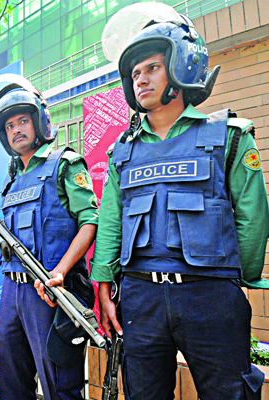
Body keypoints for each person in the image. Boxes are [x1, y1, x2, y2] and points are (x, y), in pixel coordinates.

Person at [91, 5, 268, 399]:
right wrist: (103, 280)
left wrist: (229, 282)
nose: (141, 80)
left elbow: (252, 219)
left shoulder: (230, 136)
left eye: (151, 68)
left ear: (182, 65)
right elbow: (111, 221)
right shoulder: (124, 152)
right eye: (135, 73)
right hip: (141, 298)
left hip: (209, 298)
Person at [0, 74, 99, 400]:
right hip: (12, 294)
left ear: (38, 122)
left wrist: (60, 271)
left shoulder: (64, 163)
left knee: (59, 385)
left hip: (50, 292)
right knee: (11, 382)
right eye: (9, 126)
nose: (16, 129)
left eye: (22, 121)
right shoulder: (12, 178)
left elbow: (90, 221)